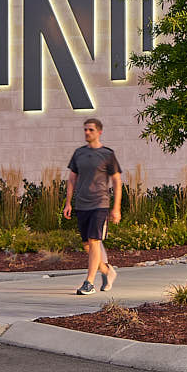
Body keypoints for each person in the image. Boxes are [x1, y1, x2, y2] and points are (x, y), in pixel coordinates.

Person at [65, 117, 123, 295]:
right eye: (85, 130)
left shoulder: (107, 154)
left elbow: (117, 181)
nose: (87, 133)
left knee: (94, 241)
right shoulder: (79, 153)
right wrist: (68, 203)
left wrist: (116, 208)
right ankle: (106, 271)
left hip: (100, 203)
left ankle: (89, 282)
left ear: (99, 132)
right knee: (87, 245)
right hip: (81, 204)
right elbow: (72, 179)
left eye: (90, 130)